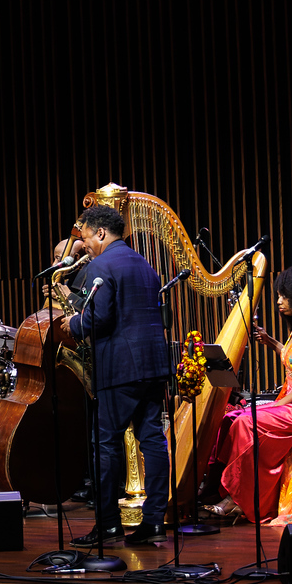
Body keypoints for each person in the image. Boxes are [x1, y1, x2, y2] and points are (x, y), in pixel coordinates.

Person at [59, 205, 171, 546]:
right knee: (152, 440)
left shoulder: (102, 265)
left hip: (120, 369)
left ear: (101, 233)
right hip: (153, 366)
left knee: (104, 445)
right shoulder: (145, 265)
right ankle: (153, 522)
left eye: (88, 237)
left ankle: (108, 525)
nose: (87, 245)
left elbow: (98, 319)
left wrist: (72, 324)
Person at [203, 264, 292, 524]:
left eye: (284, 295)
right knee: (230, 417)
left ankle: (239, 498)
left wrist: (276, 406)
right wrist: (273, 343)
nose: (278, 301)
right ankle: (226, 490)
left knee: (246, 421)